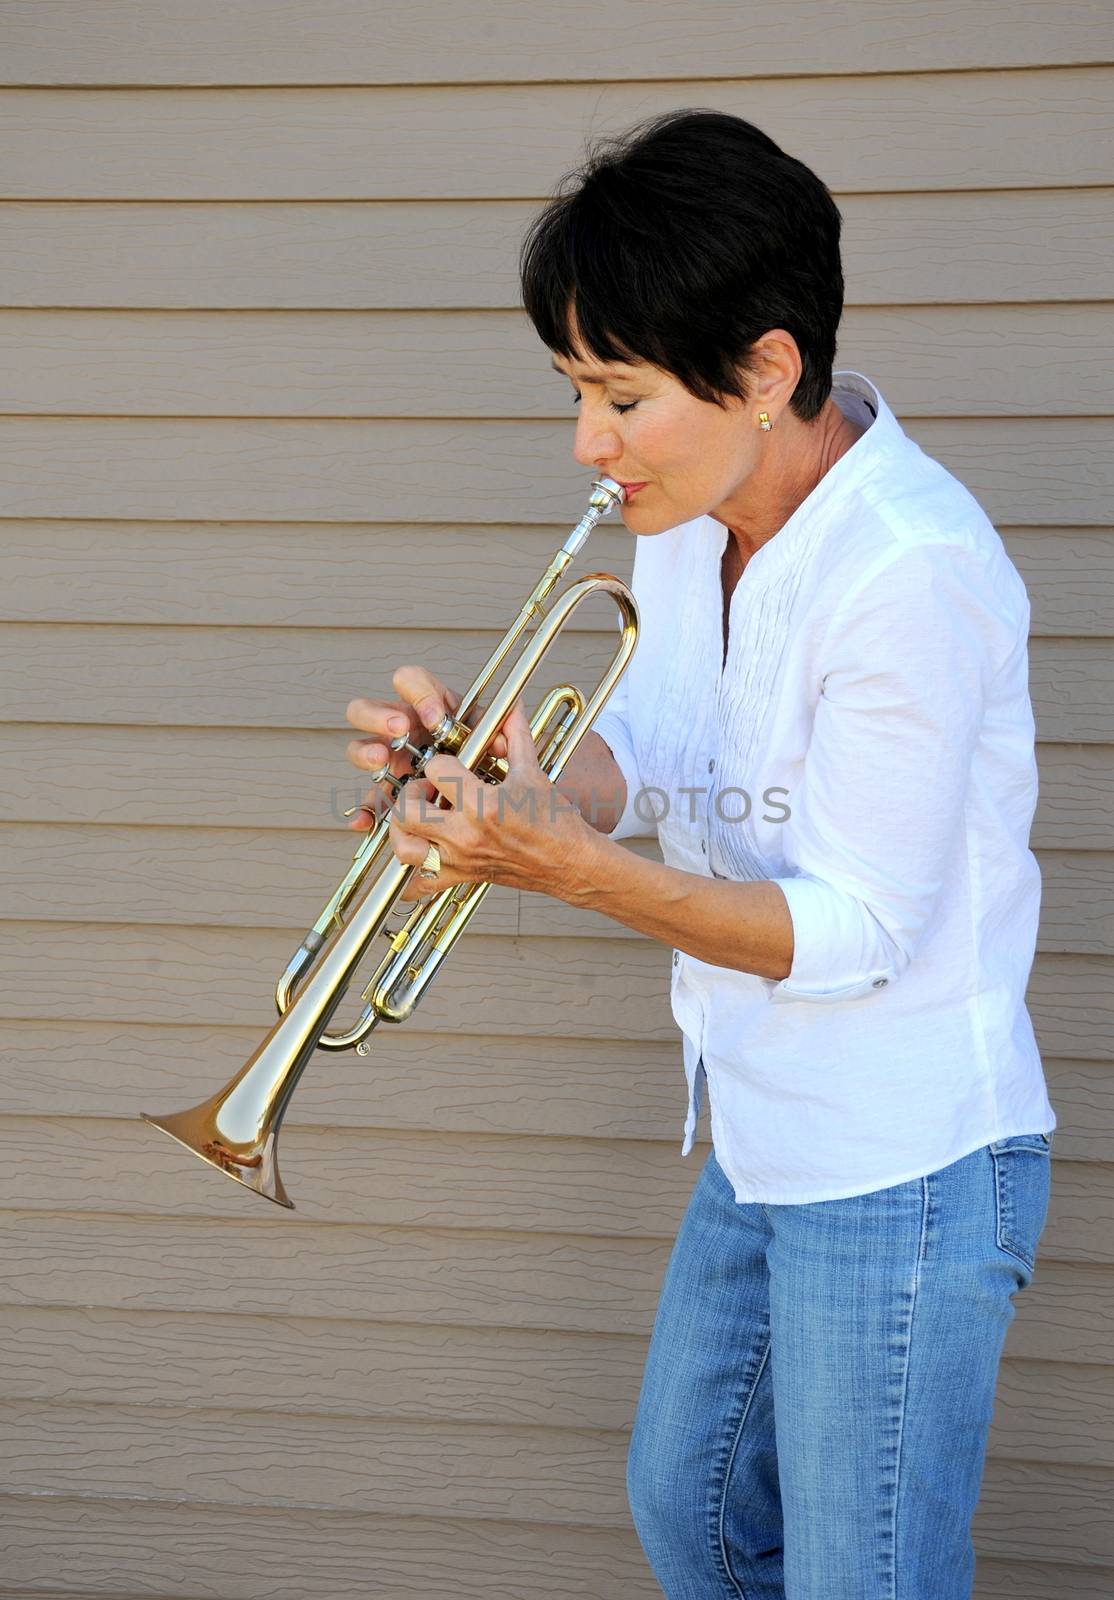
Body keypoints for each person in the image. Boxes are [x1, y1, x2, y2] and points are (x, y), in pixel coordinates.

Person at [343, 109, 1056, 1600]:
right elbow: (647, 756)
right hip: (763, 1126)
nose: (585, 445)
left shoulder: (909, 574)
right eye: (572, 389)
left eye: (618, 396)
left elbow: (852, 928)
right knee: (690, 1511)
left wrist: (562, 870)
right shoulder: (684, 517)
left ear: (766, 372)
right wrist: (500, 784)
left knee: (863, 1581)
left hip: (906, 1157)